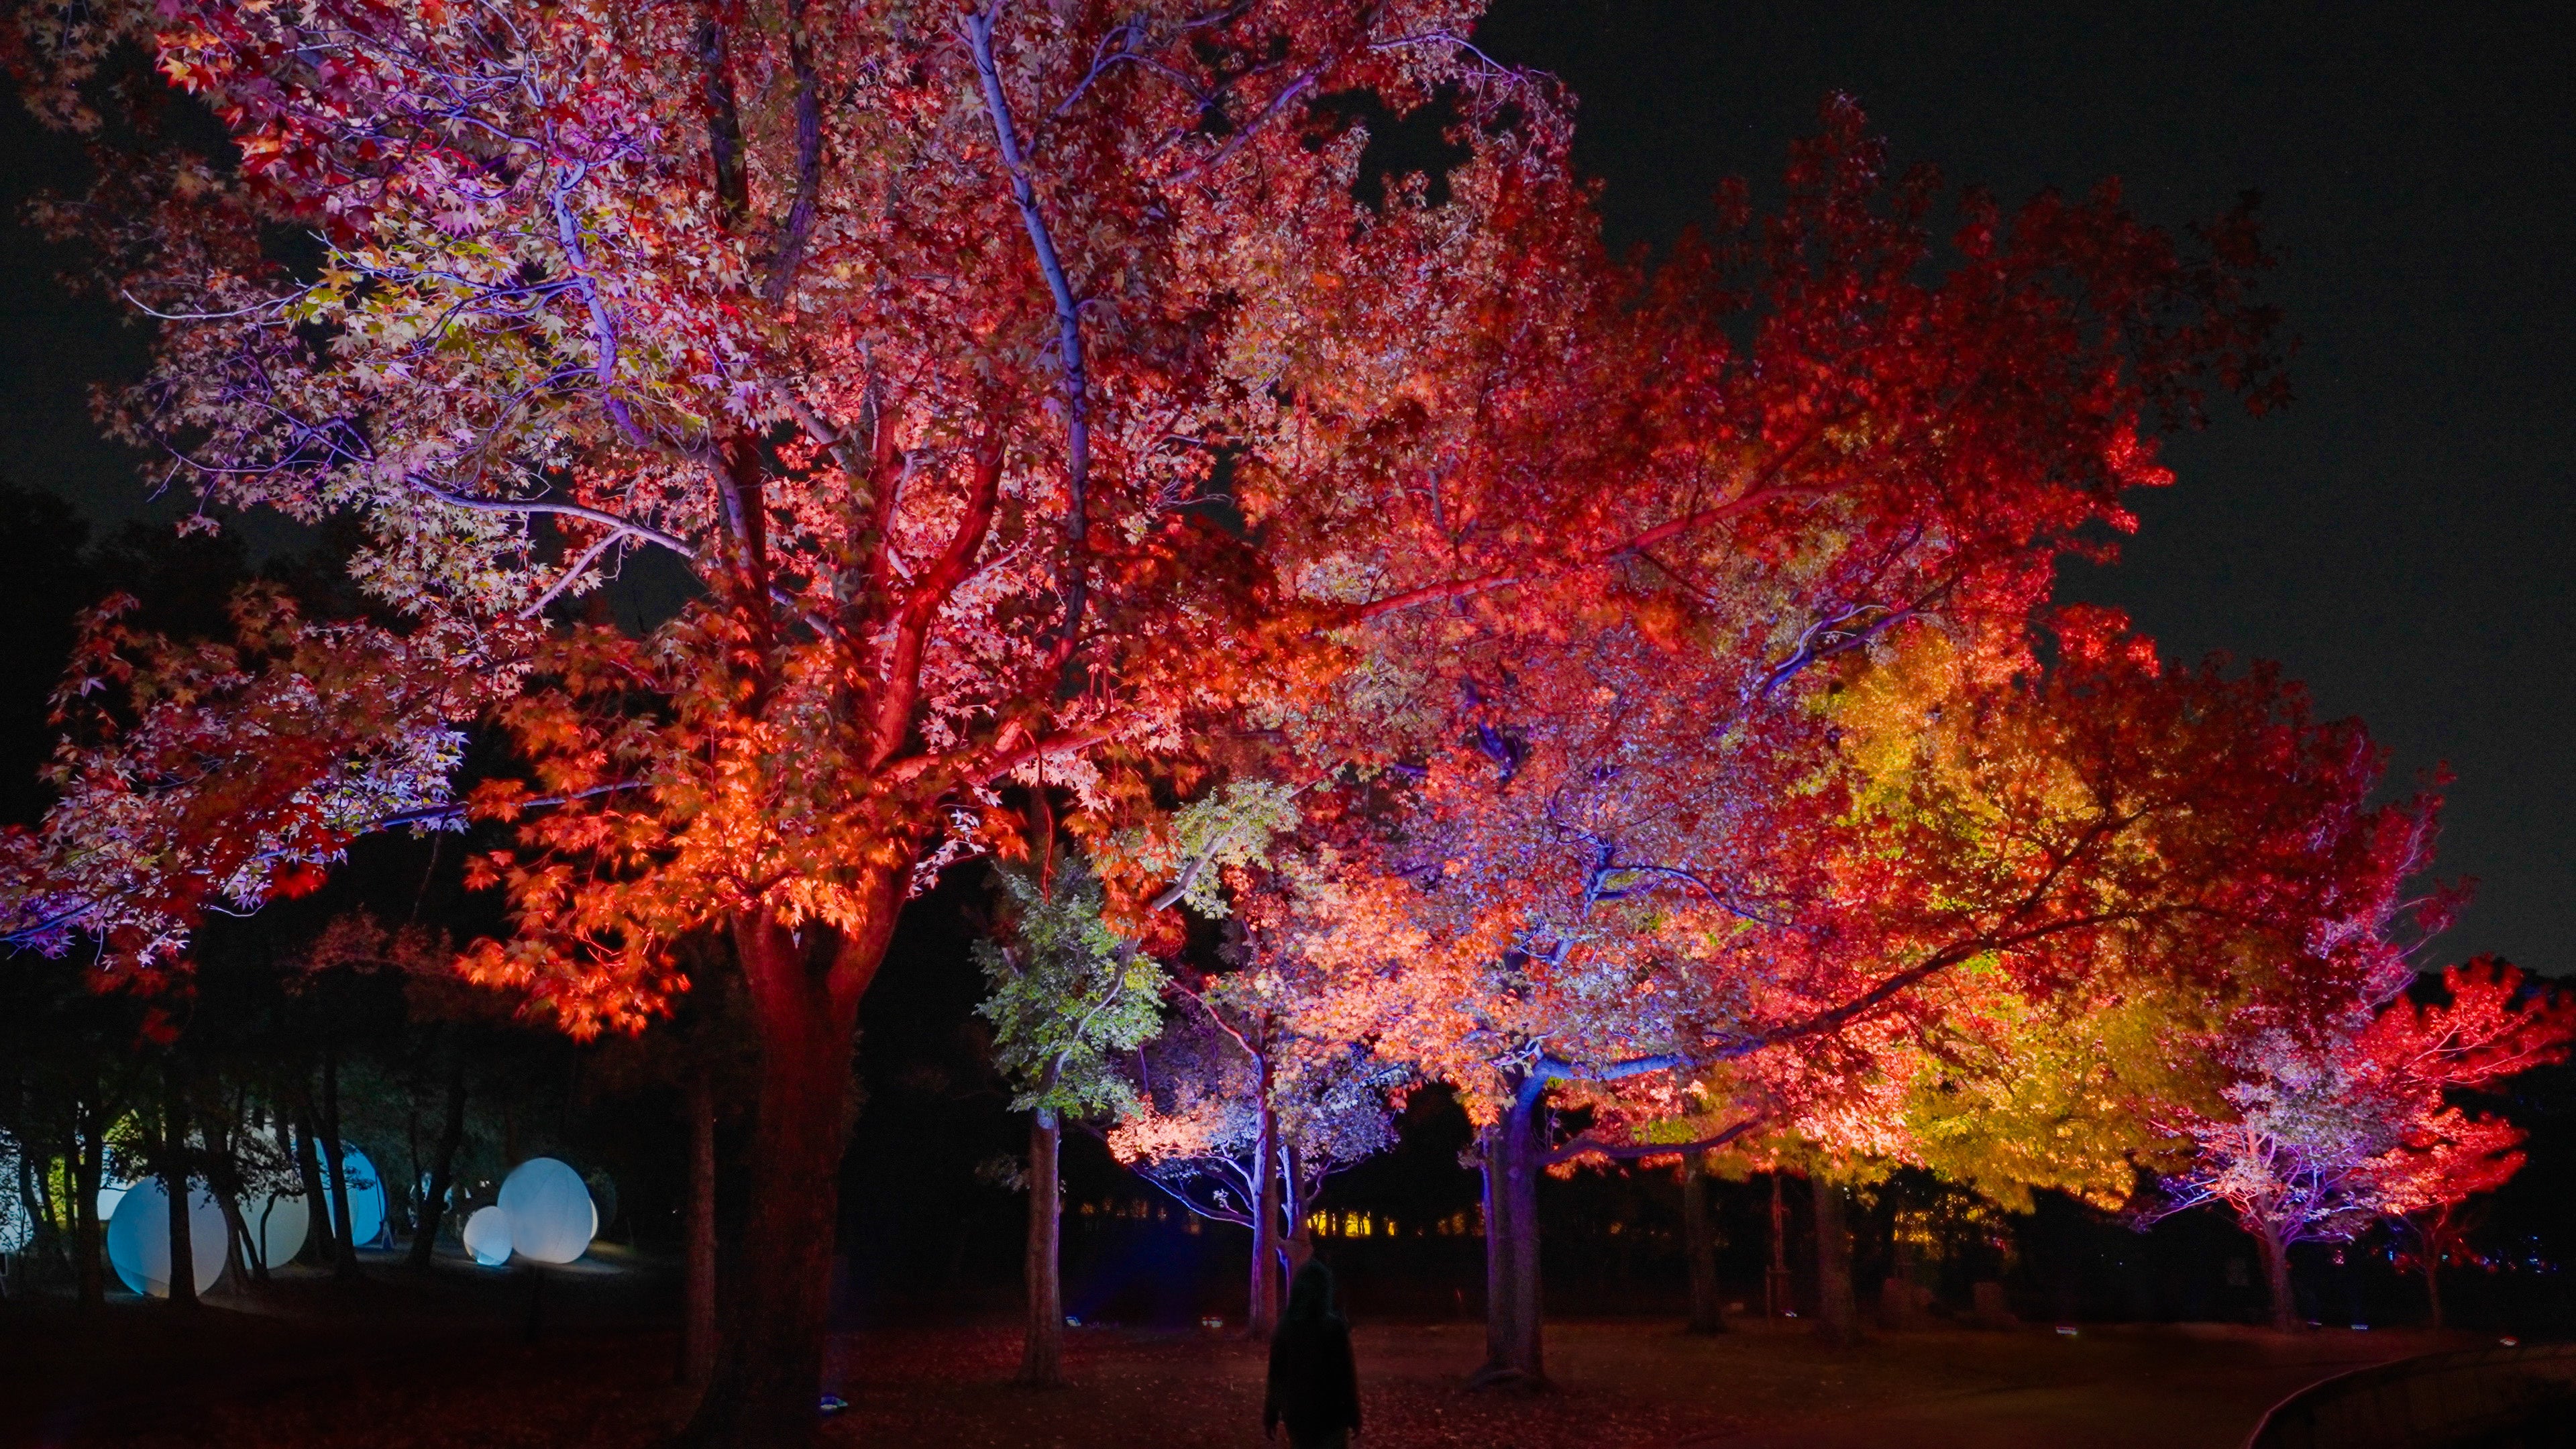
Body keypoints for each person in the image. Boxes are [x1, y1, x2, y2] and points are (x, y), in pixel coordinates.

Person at [1265, 1258, 1362, 1447]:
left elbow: (1276, 1376)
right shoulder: (1334, 1328)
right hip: (1332, 1413)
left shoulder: (1287, 1327)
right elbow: (1346, 1375)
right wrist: (1353, 1414)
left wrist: (1271, 1414)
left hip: (1298, 1412)